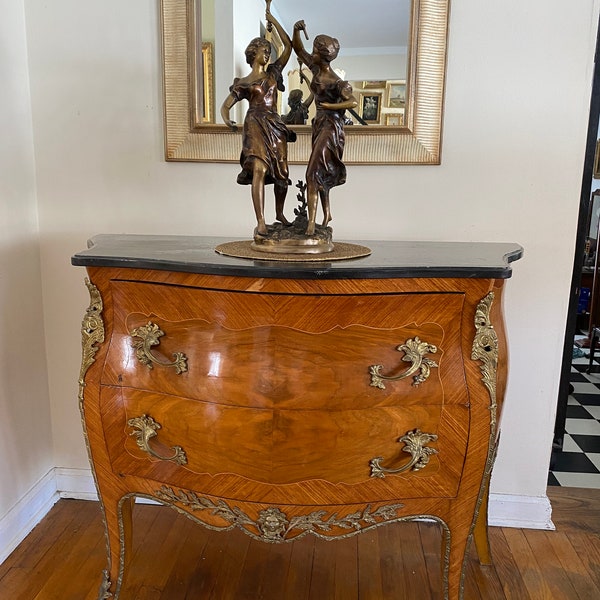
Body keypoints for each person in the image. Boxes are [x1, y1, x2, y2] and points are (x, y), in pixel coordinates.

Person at [220, 9, 294, 236]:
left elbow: (289, 47)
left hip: (275, 125)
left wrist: (272, 20)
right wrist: (226, 119)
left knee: (281, 173)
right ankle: (260, 221)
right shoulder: (243, 82)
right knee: (259, 170)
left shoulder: (273, 72)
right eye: (264, 51)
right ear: (253, 53)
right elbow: (226, 105)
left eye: (269, 51)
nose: (268, 55)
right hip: (254, 124)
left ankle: (280, 214)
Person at [292, 20, 357, 236]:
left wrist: (331, 106)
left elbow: (353, 102)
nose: (311, 53)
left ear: (322, 53)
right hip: (319, 124)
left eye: (314, 50)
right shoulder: (315, 67)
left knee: (312, 172)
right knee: (321, 170)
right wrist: (296, 30)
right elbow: (298, 48)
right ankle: (326, 213)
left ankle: (311, 223)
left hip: (332, 127)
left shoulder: (337, 81)